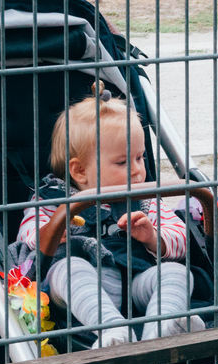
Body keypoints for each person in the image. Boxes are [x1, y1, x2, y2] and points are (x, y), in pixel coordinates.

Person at [11, 84, 198, 348]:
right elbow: (28, 234)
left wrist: (153, 238)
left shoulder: (142, 201)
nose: (137, 171)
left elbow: (180, 237)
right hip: (78, 296)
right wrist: (52, 233)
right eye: (122, 162)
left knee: (176, 273)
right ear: (79, 171)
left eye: (140, 158)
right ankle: (111, 330)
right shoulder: (52, 199)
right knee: (69, 269)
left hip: (134, 285)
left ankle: (163, 328)